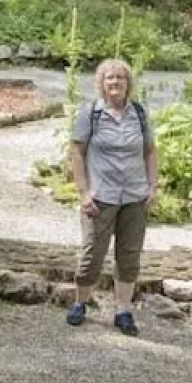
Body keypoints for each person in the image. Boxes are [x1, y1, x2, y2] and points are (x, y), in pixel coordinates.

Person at [66, 57, 158, 337]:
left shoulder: (139, 114)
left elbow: (150, 151)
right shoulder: (90, 113)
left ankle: (123, 311)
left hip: (133, 196)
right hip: (100, 196)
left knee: (129, 256)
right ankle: (81, 302)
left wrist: (152, 185)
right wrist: (83, 192)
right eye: (110, 78)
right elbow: (77, 153)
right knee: (92, 254)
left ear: (128, 83)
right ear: (101, 83)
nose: (115, 82)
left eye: (121, 77)